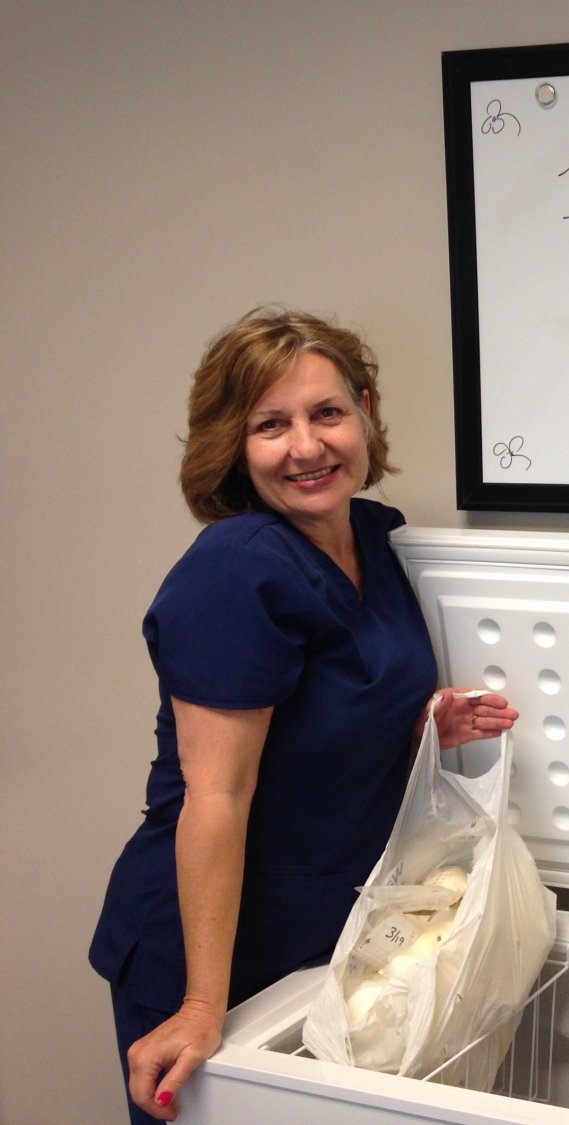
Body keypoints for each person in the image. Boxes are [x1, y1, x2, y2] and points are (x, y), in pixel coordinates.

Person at [89, 308, 517, 1123]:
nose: (308, 445)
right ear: (233, 446)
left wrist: (424, 717)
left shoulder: (372, 537)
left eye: (327, 412)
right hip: (215, 940)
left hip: (327, 923)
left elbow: (336, 692)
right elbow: (217, 794)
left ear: (363, 412)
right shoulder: (234, 573)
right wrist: (201, 1005)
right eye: (270, 425)